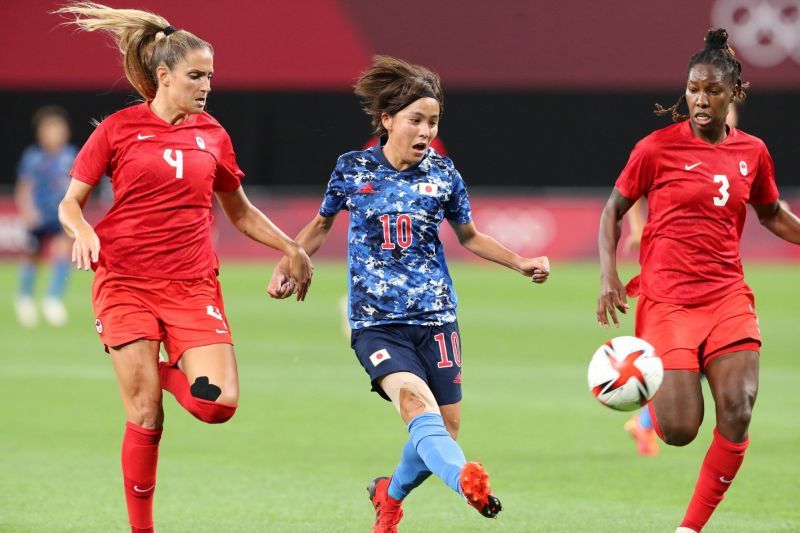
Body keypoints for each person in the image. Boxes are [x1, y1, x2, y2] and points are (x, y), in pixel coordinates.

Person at [54, 3, 313, 532]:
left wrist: (291, 247)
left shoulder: (213, 135)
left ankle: (164, 377)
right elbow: (69, 204)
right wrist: (82, 230)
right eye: (197, 76)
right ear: (164, 77)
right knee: (145, 413)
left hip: (193, 285)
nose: (207, 86)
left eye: (210, 76)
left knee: (219, 407)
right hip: (124, 280)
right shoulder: (119, 129)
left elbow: (238, 210)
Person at [268, 55, 550, 532]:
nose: (425, 131)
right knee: (417, 407)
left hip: (437, 318)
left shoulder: (443, 174)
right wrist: (289, 260)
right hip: (377, 324)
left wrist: (520, 261)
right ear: (387, 121)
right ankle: (465, 480)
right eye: (416, 120)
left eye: (433, 121)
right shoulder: (352, 169)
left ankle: (389, 494)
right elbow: (319, 226)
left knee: (445, 427)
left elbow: (470, 236)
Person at [597, 28, 800, 532]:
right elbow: (613, 209)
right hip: (667, 302)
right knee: (682, 429)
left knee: (739, 408)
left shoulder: (753, 151)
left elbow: (771, 212)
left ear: (734, 94)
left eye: (711, 90)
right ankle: (641, 380)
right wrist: (609, 276)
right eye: (693, 89)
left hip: (727, 295)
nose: (700, 99)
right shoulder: (656, 148)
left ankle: (689, 529)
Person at [621, 99, 743, 458]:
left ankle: (643, 419)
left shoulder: (741, 152)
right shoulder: (671, 149)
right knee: (694, 354)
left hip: (718, 277)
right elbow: (634, 191)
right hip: (675, 277)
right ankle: (645, 417)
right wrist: (638, 227)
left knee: (711, 351)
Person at [14, 106, 77, 327]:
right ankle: (25, 298)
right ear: (40, 133)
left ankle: (53, 299)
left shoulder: (71, 155)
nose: (54, 134)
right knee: (33, 256)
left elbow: (77, 186)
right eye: (49, 130)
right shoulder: (33, 157)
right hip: (38, 216)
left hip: (60, 216)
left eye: (58, 129)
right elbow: (24, 187)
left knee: (62, 253)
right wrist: (28, 213)